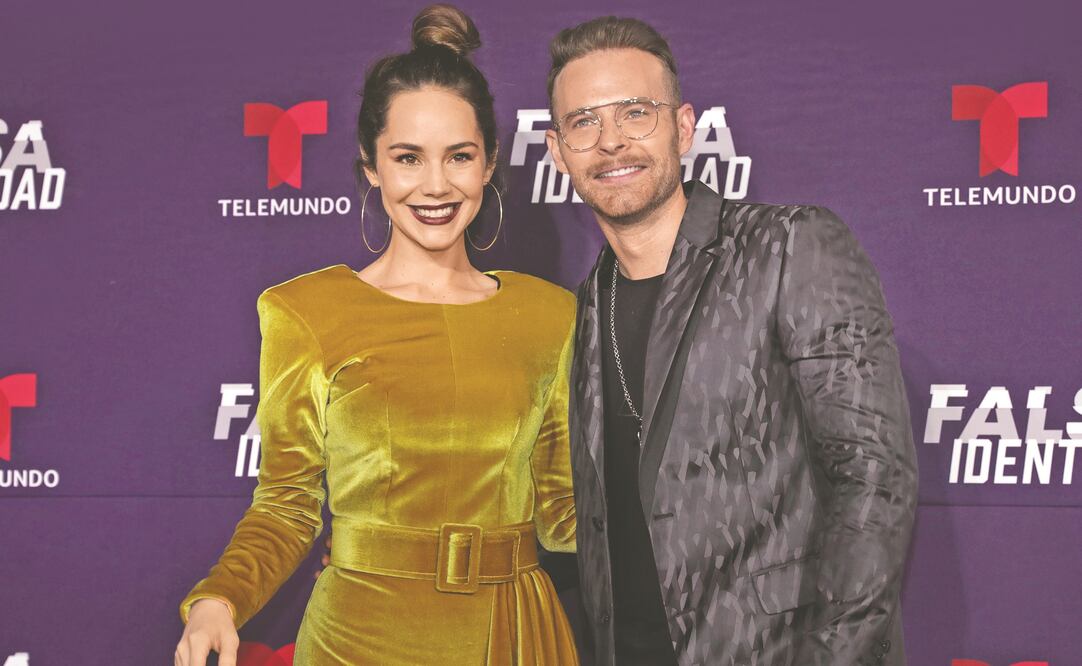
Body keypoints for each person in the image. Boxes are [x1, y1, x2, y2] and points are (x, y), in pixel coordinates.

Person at [174, 5, 578, 665]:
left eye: (460, 156)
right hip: (362, 637)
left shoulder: (550, 314)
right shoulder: (307, 312)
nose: (437, 184)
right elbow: (287, 504)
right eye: (408, 158)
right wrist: (220, 598)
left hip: (514, 633)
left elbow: (565, 515)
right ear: (371, 166)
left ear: (490, 163)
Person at [543, 16, 918, 666]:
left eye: (636, 113)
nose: (611, 142)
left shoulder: (791, 247)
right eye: (585, 122)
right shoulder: (583, 305)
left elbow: (874, 478)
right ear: (557, 151)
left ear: (684, 128)